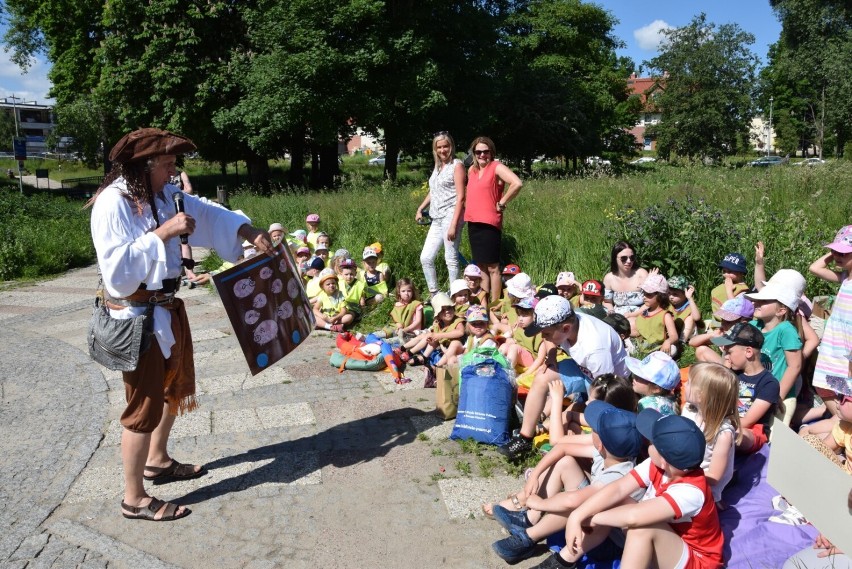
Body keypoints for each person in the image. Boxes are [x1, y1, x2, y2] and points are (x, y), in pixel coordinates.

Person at [88, 127, 274, 521]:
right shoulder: (113, 202)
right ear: (146, 165)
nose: (175, 170)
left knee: (173, 388)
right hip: (135, 317)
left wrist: (247, 230)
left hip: (166, 309)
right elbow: (117, 271)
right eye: (169, 162)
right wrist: (164, 233)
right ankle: (134, 498)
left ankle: (157, 460)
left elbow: (205, 212)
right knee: (143, 407)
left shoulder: (163, 194)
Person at [490, 401, 645, 566]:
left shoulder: (618, 475)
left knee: (579, 503)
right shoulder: (611, 454)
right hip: (594, 529)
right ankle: (528, 521)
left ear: (600, 444)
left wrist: (541, 504)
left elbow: (573, 500)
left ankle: (533, 541)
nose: (590, 431)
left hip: (608, 542)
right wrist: (535, 474)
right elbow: (562, 448)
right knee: (565, 462)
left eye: (593, 430)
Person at [562, 411, 723, 569]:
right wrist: (578, 515)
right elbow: (618, 488)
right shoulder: (659, 465)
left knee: (642, 528)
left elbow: (634, 516)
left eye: (651, 442)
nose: (646, 443)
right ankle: (565, 559)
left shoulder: (691, 491)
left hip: (697, 561)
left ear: (663, 459)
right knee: (616, 500)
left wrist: (592, 518)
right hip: (668, 542)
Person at [500, 295, 629, 461]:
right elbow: (549, 340)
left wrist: (586, 404)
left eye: (546, 333)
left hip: (609, 383)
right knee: (542, 377)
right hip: (583, 369)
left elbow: (606, 388)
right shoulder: (565, 325)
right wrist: (552, 357)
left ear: (566, 329)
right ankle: (525, 437)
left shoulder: (595, 348)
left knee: (587, 411)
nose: (543, 338)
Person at [463, 136, 523, 303]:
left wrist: (502, 202)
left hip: (490, 223)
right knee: (481, 265)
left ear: (491, 152)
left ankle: (495, 304)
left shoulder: (496, 167)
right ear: (474, 153)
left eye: (486, 151)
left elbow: (517, 183)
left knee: (493, 267)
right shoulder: (472, 171)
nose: (482, 155)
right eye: (478, 152)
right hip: (473, 222)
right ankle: (484, 301)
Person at [745, 269, 805, 425]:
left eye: (764, 301)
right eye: (757, 300)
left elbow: (794, 366)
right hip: (755, 392)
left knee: (773, 442)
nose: (755, 303)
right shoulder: (753, 326)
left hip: (780, 397)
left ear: (781, 310)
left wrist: (778, 397)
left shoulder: (786, 330)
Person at [711, 322, 779, 454]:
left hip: (752, 431)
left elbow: (747, 421)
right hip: (725, 423)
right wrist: (725, 370)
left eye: (729, 352)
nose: (726, 356)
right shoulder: (733, 373)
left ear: (748, 352)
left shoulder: (769, 383)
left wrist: (718, 429)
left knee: (735, 436)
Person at [809, 225, 852, 420]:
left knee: (845, 388)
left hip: (847, 344)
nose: (837, 256)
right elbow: (814, 268)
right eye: (835, 251)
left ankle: (843, 425)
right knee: (824, 385)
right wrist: (833, 253)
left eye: (844, 252)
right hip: (833, 342)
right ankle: (842, 424)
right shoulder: (844, 278)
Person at [681, 363, 740, 503]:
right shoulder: (688, 410)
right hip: (681, 472)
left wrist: (681, 473)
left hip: (702, 489)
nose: (684, 385)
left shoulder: (722, 434)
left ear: (701, 396)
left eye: (689, 383)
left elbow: (714, 476)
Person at [417, 132, 466, 299]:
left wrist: (453, 224)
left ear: (451, 146)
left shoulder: (457, 165)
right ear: (435, 149)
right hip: (436, 218)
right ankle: (435, 294)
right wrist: (421, 207)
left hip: (451, 215)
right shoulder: (438, 167)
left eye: (445, 146)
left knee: (450, 258)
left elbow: (461, 196)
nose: (443, 150)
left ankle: (455, 295)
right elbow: (434, 191)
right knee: (426, 257)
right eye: (439, 147)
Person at [691, 296, 755, 365]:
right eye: (722, 320)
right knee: (701, 350)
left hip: (736, 370)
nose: (723, 324)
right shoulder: (728, 335)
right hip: (726, 367)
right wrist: (711, 335)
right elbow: (692, 342)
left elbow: (731, 365)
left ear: (743, 321)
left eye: (728, 322)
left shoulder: (745, 337)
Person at [602, 241, 649, 333]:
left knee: (632, 325)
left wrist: (633, 314)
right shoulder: (609, 278)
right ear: (615, 258)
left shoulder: (641, 274)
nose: (629, 261)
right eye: (624, 258)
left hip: (640, 314)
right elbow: (607, 301)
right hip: (618, 316)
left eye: (632, 258)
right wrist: (612, 312)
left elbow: (651, 301)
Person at [634, 271, 679, 356]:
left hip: (659, 347)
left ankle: (656, 359)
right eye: (644, 293)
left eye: (649, 295)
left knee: (672, 349)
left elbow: (674, 336)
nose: (644, 297)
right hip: (642, 345)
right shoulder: (644, 313)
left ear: (660, 296)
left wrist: (668, 341)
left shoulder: (665, 315)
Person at [710, 252, 749, 322]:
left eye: (730, 271)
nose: (726, 274)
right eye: (724, 271)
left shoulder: (743, 292)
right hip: (716, 323)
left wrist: (729, 290)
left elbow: (734, 312)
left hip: (730, 324)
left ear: (741, 272)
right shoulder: (724, 285)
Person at [312, 268, 352, 332]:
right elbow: (315, 309)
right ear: (322, 287)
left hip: (337, 318)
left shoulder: (340, 294)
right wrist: (322, 316)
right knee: (313, 317)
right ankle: (330, 327)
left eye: (333, 283)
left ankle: (325, 325)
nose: (331, 285)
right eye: (328, 284)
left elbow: (343, 310)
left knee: (349, 317)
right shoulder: (322, 295)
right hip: (325, 318)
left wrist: (336, 317)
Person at [667, 275, 703, 341]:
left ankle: (681, 342)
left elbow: (697, 318)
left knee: (690, 318)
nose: (671, 297)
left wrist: (689, 298)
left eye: (675, 294)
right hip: (675, 331)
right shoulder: (669, 305)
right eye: (669, 293)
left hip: (690, 332)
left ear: (685, 294)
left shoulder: (690, 306)